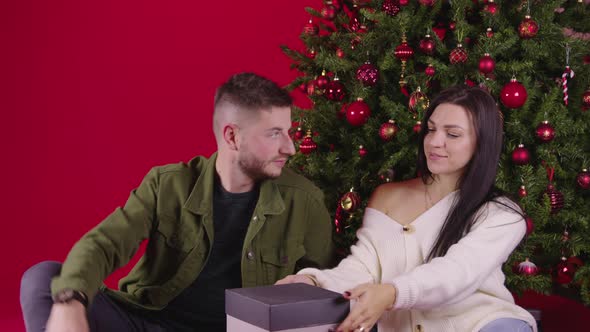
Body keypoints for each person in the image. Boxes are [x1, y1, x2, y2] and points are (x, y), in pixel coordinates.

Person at [20, 72, 335, 332]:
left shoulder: (305, 199)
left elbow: (327, 282)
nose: (290, 148)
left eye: (289, 132)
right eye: (274, 134)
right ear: (232, 137)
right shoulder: (167, 184)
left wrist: (310, 281)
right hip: (147, 323)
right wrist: (69, 302)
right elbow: (104, 244)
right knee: (44, 278)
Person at [277, 85, 537, 332]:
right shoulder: (389, 196)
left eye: (453, 134)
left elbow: (457, 272)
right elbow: (363, 268)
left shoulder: (502, 214)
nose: (435, 142)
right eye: (431, 129)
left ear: (482, 143)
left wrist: (392, 293)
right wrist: (313, 282)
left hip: (486, 325)